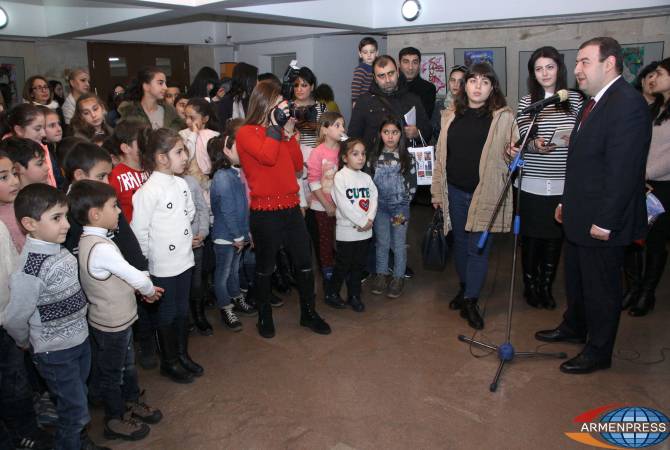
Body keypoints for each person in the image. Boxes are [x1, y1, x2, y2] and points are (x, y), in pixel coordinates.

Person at [535, 37, 652, 374]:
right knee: (576, 279)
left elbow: (623, 171)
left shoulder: (626, 104)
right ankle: (575, 326)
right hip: (578, 212)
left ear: (610, 63)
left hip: (602, 220)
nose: (577, 70)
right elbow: (582, 163)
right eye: (577, 63)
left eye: (585, 62)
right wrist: (566, 202)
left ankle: (599, 350)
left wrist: (605, 220)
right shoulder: (594, 102)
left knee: (601, 287)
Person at [3, 184, 101, 450]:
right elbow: (13, 318)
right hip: (55, 352)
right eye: (56, 218)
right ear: (29, 224)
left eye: (66, 216)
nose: (67, 225)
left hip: (79, 341)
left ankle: (80, 442)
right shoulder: (30, 269)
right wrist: (26, 341)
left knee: (76, 400)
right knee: (74, 411)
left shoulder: (58, 249)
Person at [68, 180, 163, 441]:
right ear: (95, 214)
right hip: (113, 324)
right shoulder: (101, 248)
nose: (119, 211)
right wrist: (149, 290)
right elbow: (133, 275)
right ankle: (114, 418)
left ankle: (131, 401)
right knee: (114, 372)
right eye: (114, 206)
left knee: (126, 366)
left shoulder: (90, 240)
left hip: (116, 319)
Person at [236, 80, 331, 338]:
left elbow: (298, 164)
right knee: (265, 267)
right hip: (264, 211)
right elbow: (267, 157)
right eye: (280, 102)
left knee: (304, 263)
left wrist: (288, 132)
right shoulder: (246, 132)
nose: (285, 107)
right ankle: (264, 317)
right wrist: (277, 128)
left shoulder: (279, 131)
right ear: (265, 103)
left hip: (290, 206)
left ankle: (308, 313)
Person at [431, 62, 517, 330]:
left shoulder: (504, 118)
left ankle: (471, 300)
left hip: (485, 193)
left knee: (477, 248)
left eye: (485, 81)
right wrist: (437, 191)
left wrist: (513, 154)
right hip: (454, 191)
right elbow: (440, 157)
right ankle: (466, 287)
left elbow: (513, 152)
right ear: (464, 85)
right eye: (473, 80)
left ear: (493, 88)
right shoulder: (450, 115)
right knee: (459, 243)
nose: (478, 86)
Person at [515, 46, 584, 310]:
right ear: (533, 73)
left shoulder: (576, 100)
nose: (545, 73)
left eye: (550, 67)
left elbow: (585, 136)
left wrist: (573, 139)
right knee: (532, 238)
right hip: (532, 181)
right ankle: (530, 287)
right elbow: (523, 137)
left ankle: (546, 286)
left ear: (559, 69)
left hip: (562, 182)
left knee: (555, 239)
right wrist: (536, 144)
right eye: (539, 68)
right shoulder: (527, 102)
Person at [130, 127, 201, 383]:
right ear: (161, 157)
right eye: (179, 151)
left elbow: (189, 212)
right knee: (167, 314)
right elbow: (139, 233)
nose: (185, 157)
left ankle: (182, 355)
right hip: (162, 265)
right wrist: (148, 265)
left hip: (184, 260)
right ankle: (169, 362)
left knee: (183, 311)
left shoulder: (181, 183)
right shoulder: (147, 192)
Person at [623, 57, 670, 317]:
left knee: (655, 242)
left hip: (662, 187)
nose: (653, 78)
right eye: (651, 75)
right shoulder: (654, 109)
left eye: (660, 73)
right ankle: (633, 287)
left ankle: (646, 293)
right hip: (639, 183)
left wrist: (643, 173)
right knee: (633, 237)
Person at [209, 123, 257, 331]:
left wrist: (246, 233)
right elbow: (227, 211)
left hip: (238, 235)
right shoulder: (222, 177)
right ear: (225, 152)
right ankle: (225, 307)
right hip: (226, 236)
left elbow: (243, 207)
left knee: (234, 272)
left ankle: (237, 298)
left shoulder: (236, 173)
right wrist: (238, 235)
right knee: (223, 274)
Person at [367, 116, 417, 298]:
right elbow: (368, 182)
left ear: (400, 134)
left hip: (399, 210)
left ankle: (398, 277)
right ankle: (381, 274)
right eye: (386, 132)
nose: (390, 137)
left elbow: (412, 183)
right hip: (379, 209)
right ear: (380, 134)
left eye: (394, 132)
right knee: (382, 242)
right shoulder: (372, 157)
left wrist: (405, 201)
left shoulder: (407, 157)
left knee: (398, 243)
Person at [327, 138, 378, 312]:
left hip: (365, 232)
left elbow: (373, 198)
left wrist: (369, 219)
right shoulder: (340, 177)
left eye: (363, 154)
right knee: (343, 264)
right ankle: (332, 292)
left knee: (358, 265)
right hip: (347, 231)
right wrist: (363, 221)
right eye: (355, 154)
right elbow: (344, 205)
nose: (361, 158)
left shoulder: (366, 178)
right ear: (344, 158)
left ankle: (354, 295)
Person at [349, 55, 432, 153]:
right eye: (382, 76)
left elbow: (428, 132)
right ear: (374, 78)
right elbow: (353, 138)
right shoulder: (364, 101)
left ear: (397, 72)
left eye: (390, 73)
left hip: (406, 162)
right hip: (372, 163)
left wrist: (416, 133)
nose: (387, 80)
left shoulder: (412, 99)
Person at [307, 112, 346, 301]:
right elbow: (313, 182)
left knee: (340, 241)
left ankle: (339, 274)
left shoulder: (343, 150)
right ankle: (328, 279)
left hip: (342, 207)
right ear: (324, 129)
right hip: (322, 207)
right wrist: (327, 205)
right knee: (325, 243)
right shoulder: (318, 152)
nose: (342, 129)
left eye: (343, 125)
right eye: (337, 125)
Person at [3, 104, 57, 187]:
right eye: (37, 129)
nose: (43, 134)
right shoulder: (6, 155)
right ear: (19, 130)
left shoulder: (43, 146)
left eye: (43, 128)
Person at [108, 120, 149, 222]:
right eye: (141, 141)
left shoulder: (152, 168)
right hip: (133, 233)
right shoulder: (116, 176)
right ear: (126, 148)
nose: (147, 144)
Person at [119, 67, 185, 131]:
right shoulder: (130, 113)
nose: (165, 87)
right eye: (160, 83)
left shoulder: (170, 111)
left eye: (165, 83)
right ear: (146, 86)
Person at [179, 97, 220, 188]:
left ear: (205, 119)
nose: (187, 121)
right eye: (186, 116)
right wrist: (193, 134)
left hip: (210, 183)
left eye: (192, 118)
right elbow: (186, 156)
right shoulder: (182, 134)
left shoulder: (214, 136)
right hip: (190, 184)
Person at [398, 47, 437, 118]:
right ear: (399, 64)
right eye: (406, 62)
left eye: (415, 62)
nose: (410, 67)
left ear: (419, 64)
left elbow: (425, 119)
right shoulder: (391, 86)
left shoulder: (428, 89)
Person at [432, 65, 467, 138]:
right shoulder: (439, 105)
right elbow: (434, 132)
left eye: (460, 81)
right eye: (453, 80)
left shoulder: (472, 106)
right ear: (448, 82)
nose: (456, 84)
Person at [42, 107, 66, 190]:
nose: (59, 129)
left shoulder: (53, 148)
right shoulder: (44, 153)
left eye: (59, 124)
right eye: (52, 125)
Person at [351, 37, 378, 108]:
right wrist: (355, 101)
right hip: (363, 102)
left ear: (377, 53)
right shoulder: (361, 69)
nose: (369, 55)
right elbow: (355, 87)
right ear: (360, 54)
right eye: (365, 52)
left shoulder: (377, 69)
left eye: (372, 52)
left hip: (373, 101)